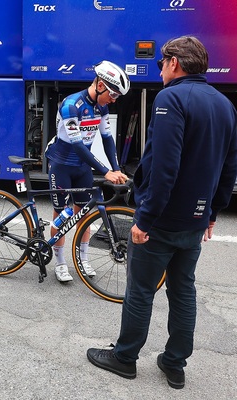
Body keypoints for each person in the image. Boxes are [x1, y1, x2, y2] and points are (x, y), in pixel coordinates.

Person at [86, 36, 237, 389]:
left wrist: (144, 219)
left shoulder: (171, 98)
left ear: (174, 63)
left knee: (140, 290)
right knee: (183, 290)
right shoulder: (225, 105)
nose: (160, 70)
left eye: (161, 63)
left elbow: (164, 166)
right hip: (195, 221)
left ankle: (125, 357)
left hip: (163, 220)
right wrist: (213, 212)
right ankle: (174, 363)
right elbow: (229, 168)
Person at [45, 60, 129, 282]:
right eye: (113, 94)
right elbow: (78, 145)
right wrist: (105, 171)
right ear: (100, 84)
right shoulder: (71, 105)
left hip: (82, 168)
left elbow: (108, 140)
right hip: (62, 166)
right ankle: (61, 263)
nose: (113, 99)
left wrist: (116, 169)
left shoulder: (102, 107)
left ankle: (82, 260)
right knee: (61, 215)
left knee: (84, 214)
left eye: (117, 96)